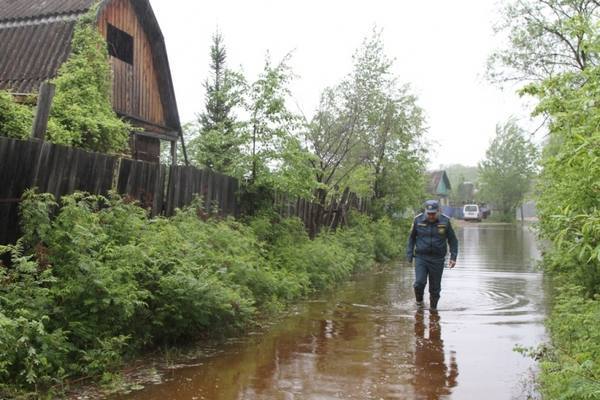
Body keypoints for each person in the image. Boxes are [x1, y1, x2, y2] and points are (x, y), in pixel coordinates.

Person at [406, 200, 458, 310]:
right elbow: (411, 238)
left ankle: (433, 311)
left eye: (433, 213)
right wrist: (409, 253)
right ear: (425, 211)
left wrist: (453, 257)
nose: (431, 216)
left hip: (438, 259)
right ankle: (419, 303)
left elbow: (453, 240)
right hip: (421, 257)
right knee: (419, 283)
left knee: (435, 289)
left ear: (438, 211)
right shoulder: (417, 220)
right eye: (429, 213)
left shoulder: (445, 221)